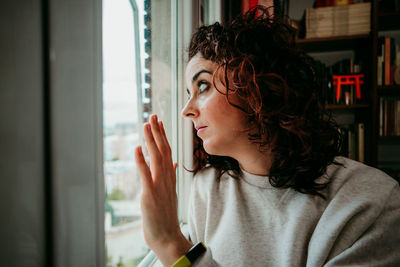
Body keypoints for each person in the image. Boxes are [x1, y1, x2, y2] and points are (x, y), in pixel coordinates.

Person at [134, 6, 400, 267]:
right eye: (187, 94)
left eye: (202, 86)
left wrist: (170, 242)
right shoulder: (207, 190)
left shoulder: (370, 201)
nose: (186, 110)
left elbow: (177, 252)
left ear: (255, 83)